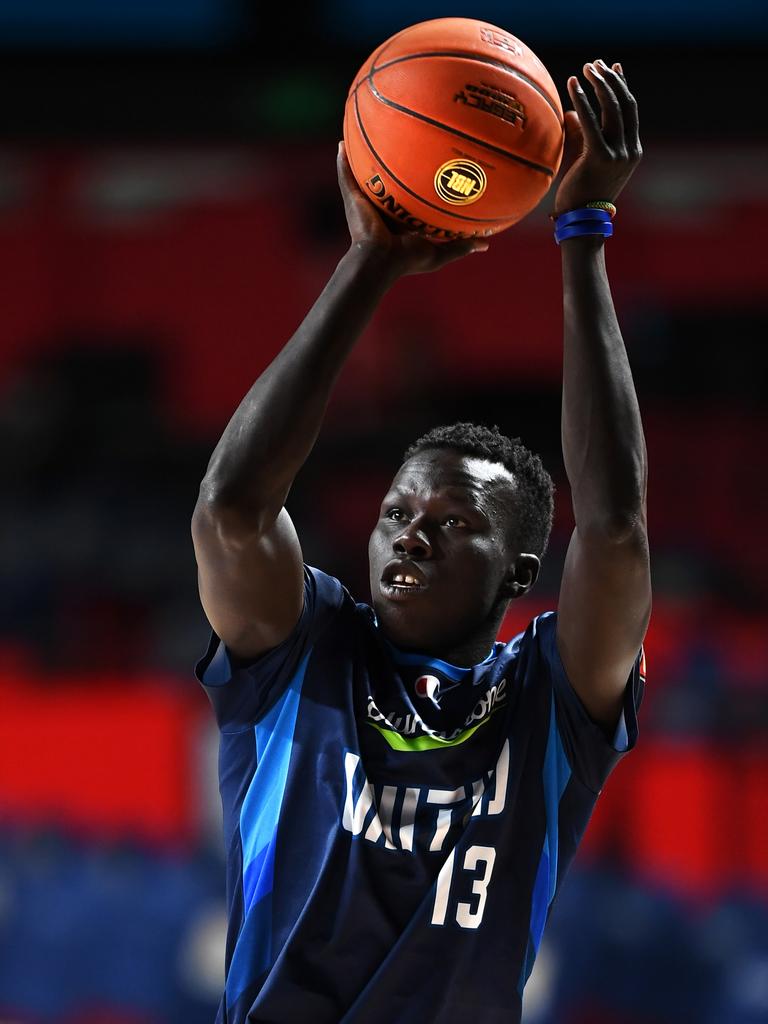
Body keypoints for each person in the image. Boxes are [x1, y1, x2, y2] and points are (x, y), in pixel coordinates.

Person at [192, 58, 650, 1024]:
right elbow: (232, 508)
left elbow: (612, 529)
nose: (413, 537)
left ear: (520, 574)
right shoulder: (304, 655)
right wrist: (372, 259)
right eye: (399, 514)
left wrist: (582, 232)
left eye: (454, 526)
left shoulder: (547, 705)